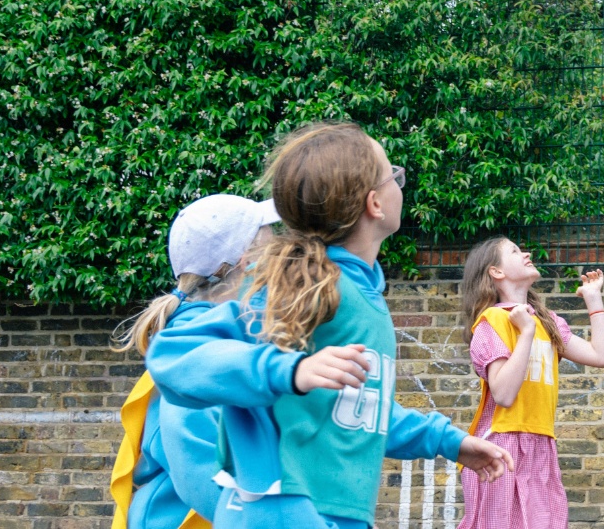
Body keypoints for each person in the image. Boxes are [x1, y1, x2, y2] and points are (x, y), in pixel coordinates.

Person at [145, 122, 512, 529]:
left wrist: (450, 442)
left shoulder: (359, 292)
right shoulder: (302, 285)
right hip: (286, 512)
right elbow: (172, 354)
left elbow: (359, 414)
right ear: (375, 203)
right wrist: (290, 370)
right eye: (395, 174)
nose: (400, 183)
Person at [109, 193, 279, 529]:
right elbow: (203, 480)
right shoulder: (198, 354)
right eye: (275, 252)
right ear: (248, 263)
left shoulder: (213, 343)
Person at [455, 237, 604, 529]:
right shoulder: (492, 321)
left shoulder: (547, 321)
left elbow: (603, 356)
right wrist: (526, 332)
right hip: (502, 445)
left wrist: (594, 300)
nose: (526, 253)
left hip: (540, 444)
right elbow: (503, 394)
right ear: (496, 272)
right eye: (515, 251)